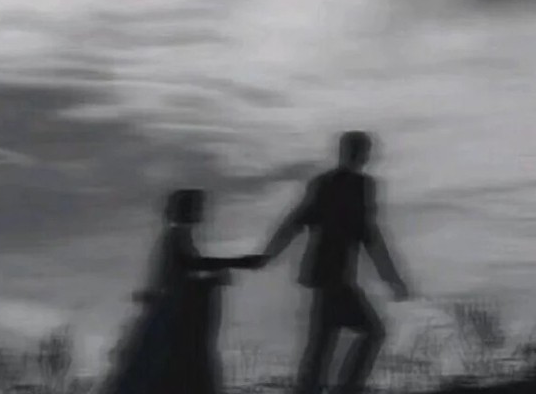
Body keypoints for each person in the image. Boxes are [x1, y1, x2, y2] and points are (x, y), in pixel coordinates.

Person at [258, 131, 410, 394]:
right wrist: (391, 277)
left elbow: (297, 221)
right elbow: (368, 235)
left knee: (322, 342)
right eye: (362, 151)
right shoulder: (353, 185)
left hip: (327, 275)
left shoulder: (332, 183)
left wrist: (269, 254)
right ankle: (345, 388)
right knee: (369, 332)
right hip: (333, 276)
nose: (364, 156)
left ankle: (320, 388)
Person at [101, 189, 260, 394]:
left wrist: (213, 279)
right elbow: (189, 266)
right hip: (172, 317)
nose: (201, 212)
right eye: (197, 207)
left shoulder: (178, 236)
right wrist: (237, 262)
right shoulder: (175, 236)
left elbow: (183, 272)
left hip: (172, 313)